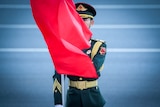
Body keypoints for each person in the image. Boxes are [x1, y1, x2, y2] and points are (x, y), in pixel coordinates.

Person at [53, 2, 107, 107]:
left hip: (93, 99)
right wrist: (58, 102)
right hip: (73, 98)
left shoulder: (98, 46)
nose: (81, 22)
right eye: (77, 19)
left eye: (85, 19)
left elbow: (92, 70)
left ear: (92, 22)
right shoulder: (66, 46)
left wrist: (71, 56)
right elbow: (58, 76)